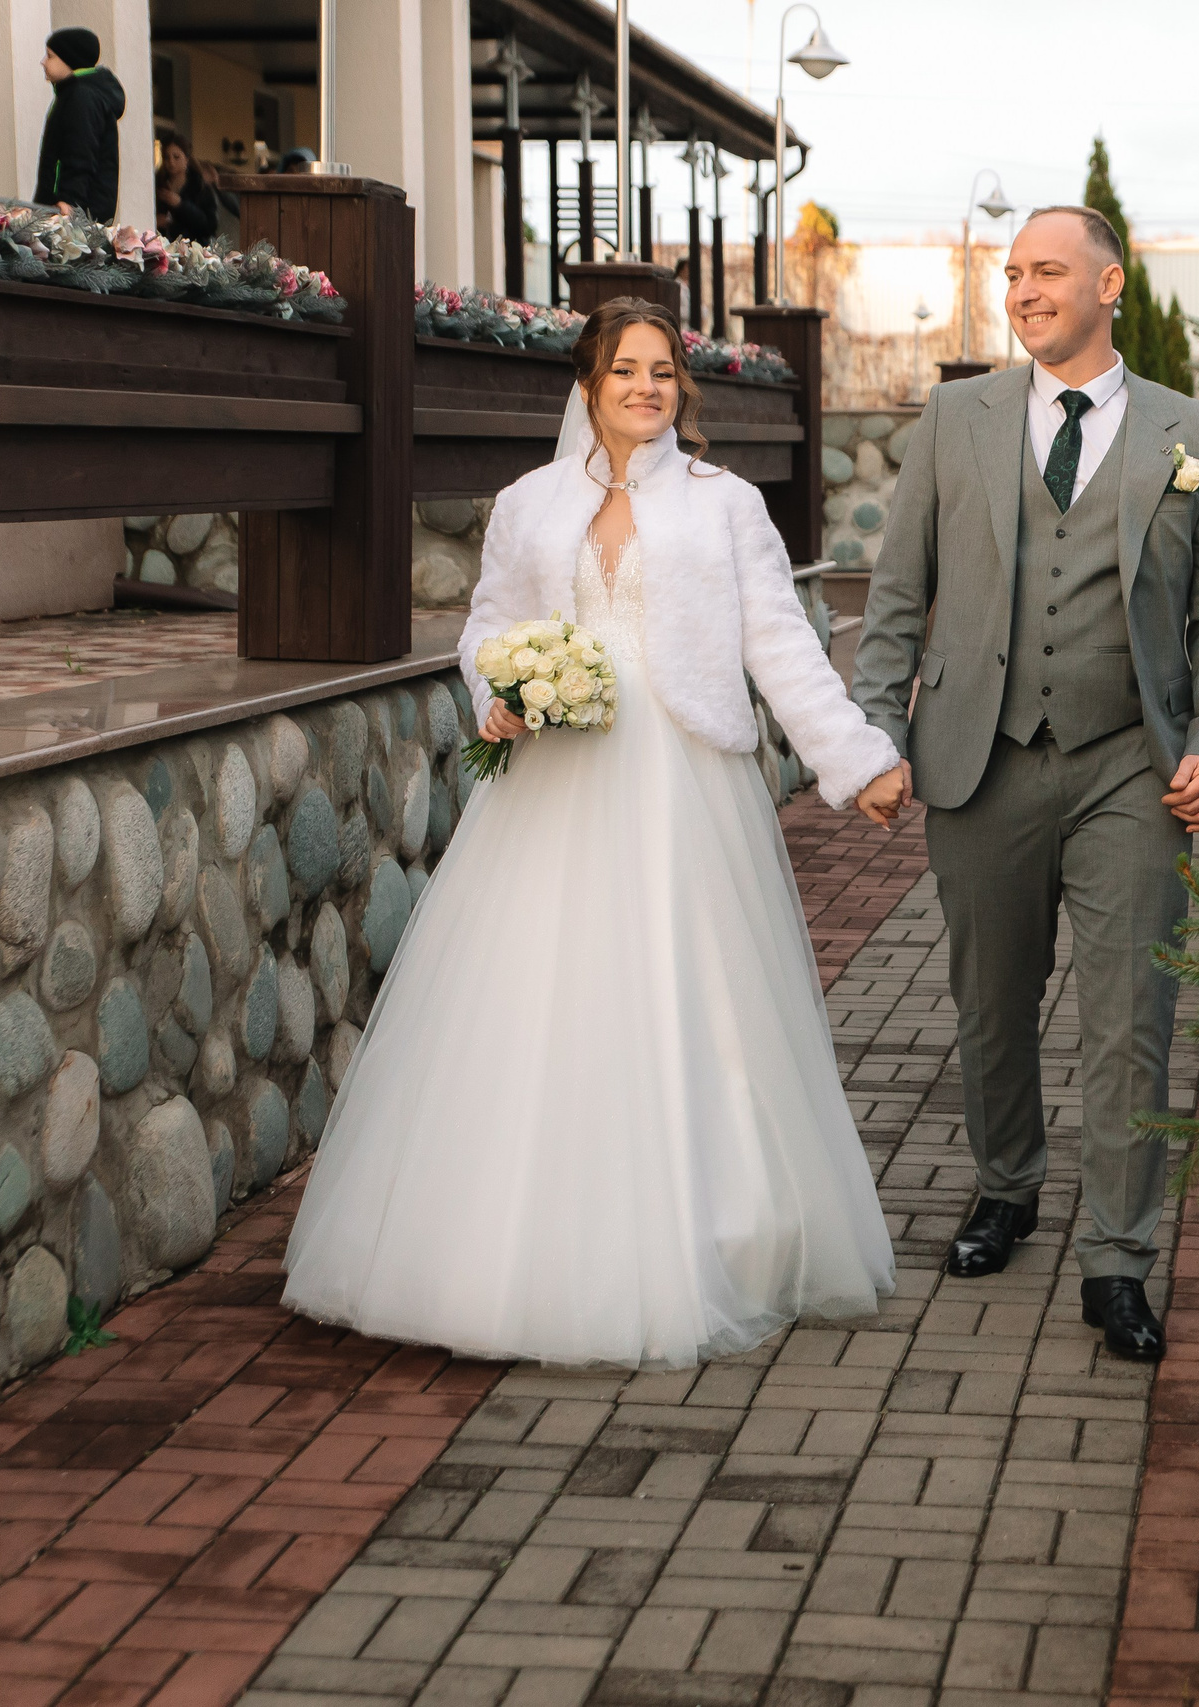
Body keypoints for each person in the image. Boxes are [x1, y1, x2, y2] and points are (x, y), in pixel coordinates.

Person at [282, 297, 909, 1368]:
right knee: (543, 993)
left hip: (678, 777)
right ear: (587, 385)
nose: (647, 389)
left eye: (664, 372)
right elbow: (487, 626)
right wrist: (501, 693)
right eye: (626, 370)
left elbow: (781, 647)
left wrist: (858, 760)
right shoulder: (528, 504)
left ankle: (718, 1233)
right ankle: (502, 1250)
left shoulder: (725, 506)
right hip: (559, 777)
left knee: (688, 992)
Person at [851, 206, 1199, 1362]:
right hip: (978, 760)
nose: (1022, 290)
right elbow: (893, 601)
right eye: (1012, 273)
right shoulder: (954, 417)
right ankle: (1006, 1187)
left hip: (1132, 765)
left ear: (1109, 284)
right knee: (990, 1004)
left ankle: (1119, 1259)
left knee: (1132, 1019)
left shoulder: (1196, 436)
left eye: (1046, 271)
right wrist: (879, 735)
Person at [35, 29, 123, 221]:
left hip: (73, 215)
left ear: (69, 59)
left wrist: (70, 203)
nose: (43, 61)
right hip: (75, 212)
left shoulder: (81, 97)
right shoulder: (75, 93)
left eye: (50, 56)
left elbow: (80, 154)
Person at [152, 125, 222, 244]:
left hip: (195, 249)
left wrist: (180, 205)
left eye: (176, 157)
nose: (171, 162)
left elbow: (209, 226)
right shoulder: (158, 185)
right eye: (166, 157)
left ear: (187, 159)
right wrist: (155, 222)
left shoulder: (200, 186)